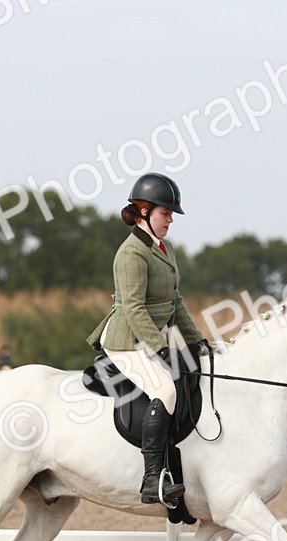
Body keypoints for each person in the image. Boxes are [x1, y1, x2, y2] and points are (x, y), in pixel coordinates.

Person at [86, 173, 207, 505]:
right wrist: (161, 349)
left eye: (170, 214)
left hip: (152, 336)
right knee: (165, 389)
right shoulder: (131, 254)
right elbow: (136, 309)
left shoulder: (163, 249)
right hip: (127, 340)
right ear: (144, 212)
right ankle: (152, 478)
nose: (170, 219)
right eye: (165, 213)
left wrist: (197, 340)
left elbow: (176, 301)